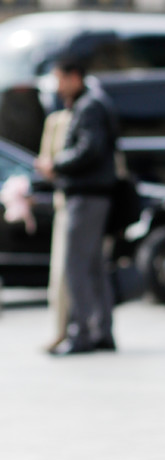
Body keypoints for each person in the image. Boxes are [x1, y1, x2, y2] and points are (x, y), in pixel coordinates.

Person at [35, 60, 118, 355]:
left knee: (75, 267)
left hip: (85, 195)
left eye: (60, 79)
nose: (57, 87)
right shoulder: (93, 103)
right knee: (93, 267)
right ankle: (101, 331)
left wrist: (56, 164)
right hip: (94, 195)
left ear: (74, 77)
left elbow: (89, 149)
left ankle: (81, 333)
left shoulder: (89, 106)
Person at [37, 108, 73, 352]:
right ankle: (64, 331)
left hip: (91, 201)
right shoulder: (56, 121)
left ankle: (90, 331)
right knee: (63, 273)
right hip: (68, 200)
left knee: (86, 273)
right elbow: (45, 163)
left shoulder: (94, 110)